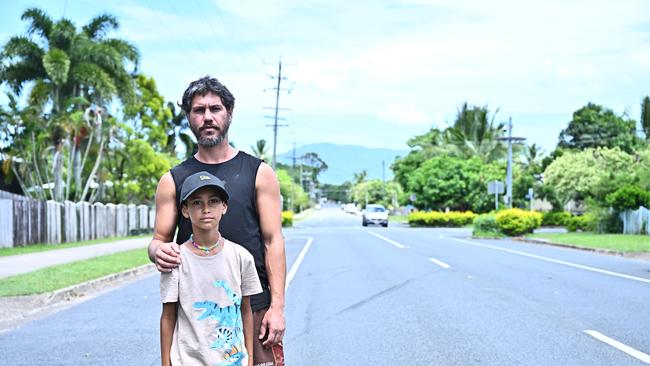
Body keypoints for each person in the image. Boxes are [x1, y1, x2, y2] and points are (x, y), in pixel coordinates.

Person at [149, 76, 286, 366]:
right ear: (188, 117)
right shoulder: (173, 180)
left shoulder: (259, 173)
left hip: (255, 308)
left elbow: (273, 241)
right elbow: (158, 241)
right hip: (197, 317)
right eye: (199, 110)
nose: (208, 117)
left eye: (216, 108)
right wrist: (157, 251)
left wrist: (277, 308)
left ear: (230, 114)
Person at [160, 171, 262, 366]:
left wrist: (249, 357)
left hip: (232, 360)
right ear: (185, 210)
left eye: (213, 201)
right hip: (188, 360)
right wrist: (166, 362)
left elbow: (246, 311)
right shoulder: (175, 260)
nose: (206, 209)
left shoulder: (241, 257)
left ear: (224, 207)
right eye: (197, 202)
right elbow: (168, 315)